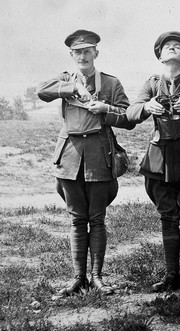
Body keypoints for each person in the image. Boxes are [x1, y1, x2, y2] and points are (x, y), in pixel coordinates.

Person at [37, 30, 135, 296]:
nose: (82, 56)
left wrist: (105, 110)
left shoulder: (111, 83)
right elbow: (41, 91)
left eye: (87, 51)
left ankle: (97, 277)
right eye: (77, 52)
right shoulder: (65, 79)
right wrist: (75, 88)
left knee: (97, 218)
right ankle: (78, 278)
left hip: (99, 154)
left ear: (96, 54)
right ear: (72, 55)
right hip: (69, 156)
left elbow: (129, 117)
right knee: (76, 219)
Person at [127, 31, 180, 292]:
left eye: (178, 47)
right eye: (167, 47)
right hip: (160, 158)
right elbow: (131, 112)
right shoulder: (152, 84)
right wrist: (147, 108)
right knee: (167, 215)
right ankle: (171, 275)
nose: (172, 49)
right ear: (160, 56)